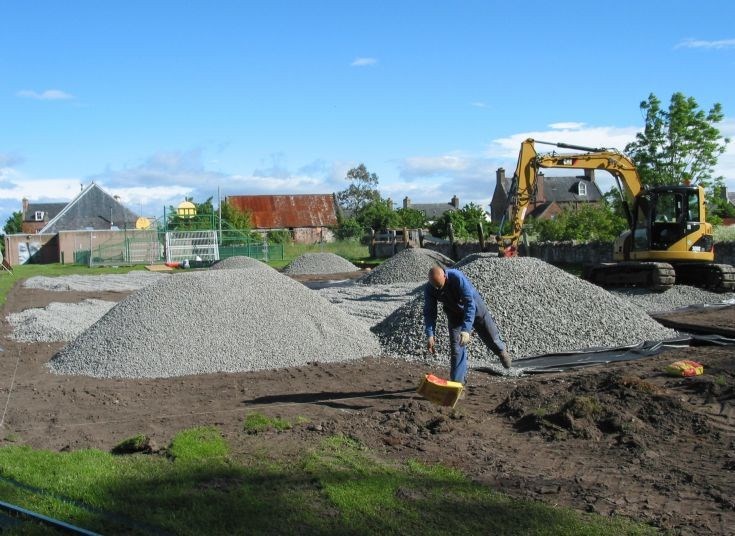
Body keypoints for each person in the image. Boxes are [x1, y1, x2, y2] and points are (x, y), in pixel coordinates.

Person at [424, 266, 511, 383]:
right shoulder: (430, 288)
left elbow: (470, 304)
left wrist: (466, 330)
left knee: (489, 333)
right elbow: (430, 312)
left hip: (474, 307)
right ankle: (458, 384)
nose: (439, 289)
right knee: (456, 348)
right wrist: (430, 334)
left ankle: (500, 351)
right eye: (437, 287)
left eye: (441, 285)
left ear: (444, 276)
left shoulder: (457, 277)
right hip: (453, 313)